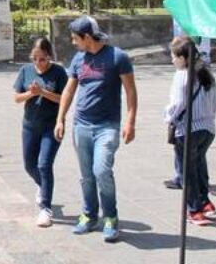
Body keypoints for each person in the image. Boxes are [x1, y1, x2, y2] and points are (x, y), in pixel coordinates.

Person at [55, 15, 138, 243]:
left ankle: (110, 217)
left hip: (107, 126)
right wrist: (60, 119)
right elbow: (69, 91)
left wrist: (130, 121)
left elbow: (130, 90)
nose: (73, 42)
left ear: (87, 37)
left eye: (75, 38)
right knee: (87, 176)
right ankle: (89, 215)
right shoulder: (78, 59)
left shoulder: (117, 57)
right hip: (81, 124)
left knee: (101, 171)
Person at [13, 37, 68, 227]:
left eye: (42, 59)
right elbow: (17, 98)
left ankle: (46, 208)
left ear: (49, 57)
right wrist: (31, 93)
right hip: (30, 125)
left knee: (44, 165)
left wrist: (43, 92)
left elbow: (64, 99)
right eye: (34, 58)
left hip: (51, 126)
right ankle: (43, 186)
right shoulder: (25, 70)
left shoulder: (59, 72)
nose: (38, 63)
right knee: (29, 165)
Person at [163, 37, 216, 225]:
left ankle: (194, 210)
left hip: (188, 129)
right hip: (208, 128)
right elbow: (214, 102)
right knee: (199, 165)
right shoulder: (206, 73)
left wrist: (168, 118)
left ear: (183, 58)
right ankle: (205, 202)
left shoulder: (182, 75)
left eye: (174, 56)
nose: (172, 61)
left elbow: (178, 103)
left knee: (188, 171)